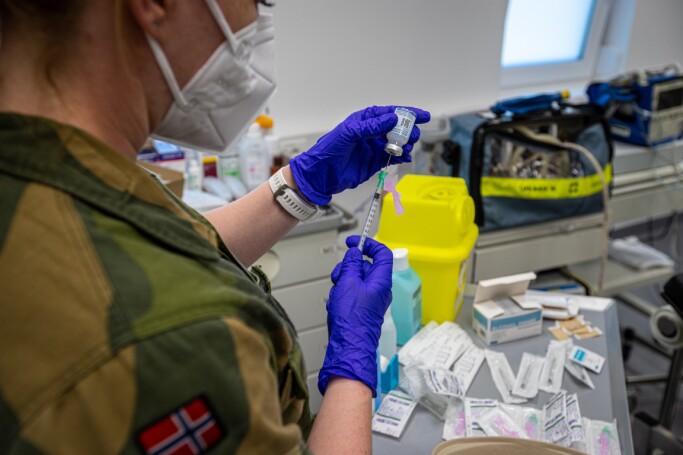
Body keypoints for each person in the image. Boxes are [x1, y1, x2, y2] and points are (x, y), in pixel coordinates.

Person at [0, 1, 429, 454]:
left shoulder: (53, 172)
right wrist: (352, 365)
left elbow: (151, 251)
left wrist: (302, 185)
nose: (258, 23)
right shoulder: (179, 339)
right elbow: (144, 288)